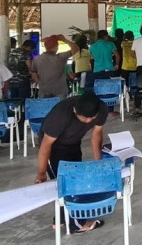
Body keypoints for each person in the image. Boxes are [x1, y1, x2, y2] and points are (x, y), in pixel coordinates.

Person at [33, 93, 108, 233]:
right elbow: (45, 145)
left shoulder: (101, 109)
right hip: (54, 148)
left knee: (75, 180)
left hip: (73, 143)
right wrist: (41, 172)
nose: (87, 121)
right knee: (68, 184)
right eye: (83, 118)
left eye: (91, 118)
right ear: (74, 110)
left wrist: (98, 162)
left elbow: (96, 135)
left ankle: (60, 219)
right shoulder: (60, 116)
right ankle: (77, 225)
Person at [89, 30, 119, 114]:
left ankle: (98, 109)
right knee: (110, 89)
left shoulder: (92, 46)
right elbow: (117, 55)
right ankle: (110, 110)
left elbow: (92, 59)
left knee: (99, 90)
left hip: (97, 70)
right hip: (109, 69)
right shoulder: (110, 44)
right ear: (105, 36)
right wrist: (116, 64)